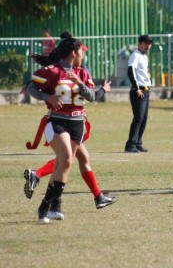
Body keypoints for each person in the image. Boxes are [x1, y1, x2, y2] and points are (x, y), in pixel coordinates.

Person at [25, 31, 116, 224]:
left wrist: (79, 83)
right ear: (74, 53)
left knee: (62, 164)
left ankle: (44, 206)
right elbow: (30, 87)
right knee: (66, 159)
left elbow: (91, 97)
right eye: (82, 52)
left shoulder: (83, 73)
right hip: (56, 121)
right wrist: (47, 97)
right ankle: (55, 207)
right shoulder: (52, 71)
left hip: (77, 124)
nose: (83, 55)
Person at [124, 34, 153, 153]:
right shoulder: (135, 55)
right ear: (140, 43)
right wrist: (136, 88)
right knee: (138, 117)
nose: (148, 46)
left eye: (149, 43)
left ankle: (137, 142)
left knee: (144, 118)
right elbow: (131, 71)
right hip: (138, 91)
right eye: (145, 43)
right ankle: (130, 144)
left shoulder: (144, 57)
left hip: (145, 90)